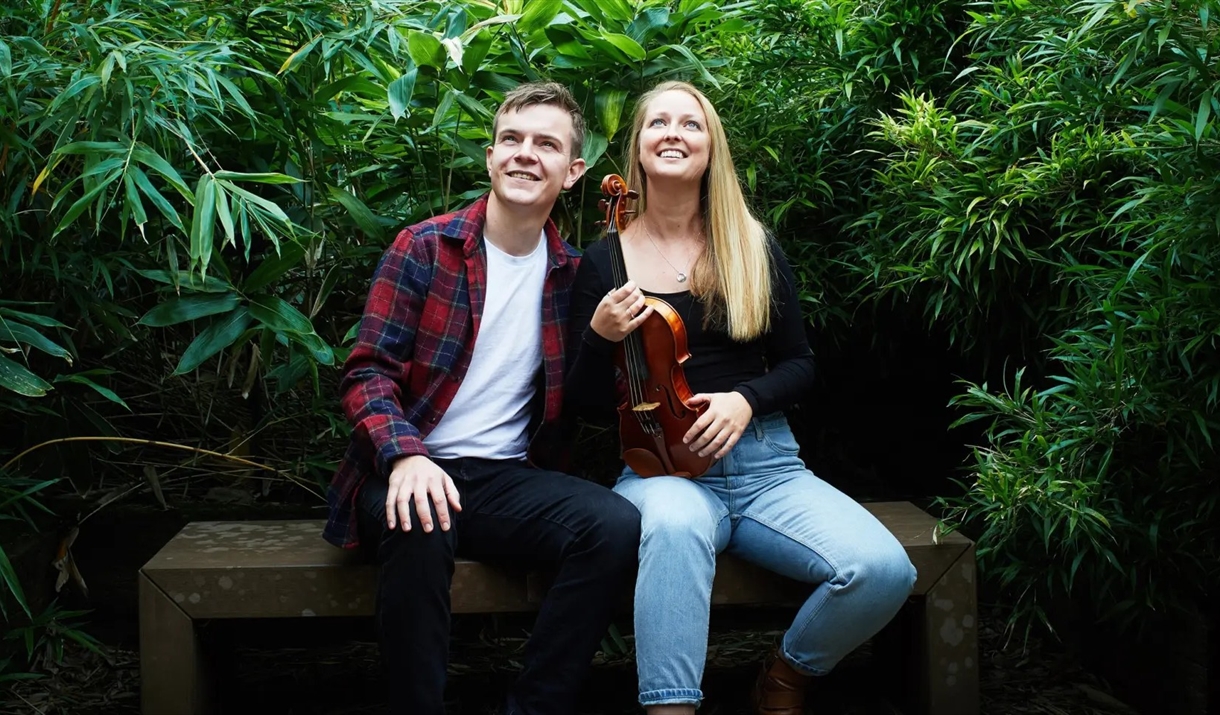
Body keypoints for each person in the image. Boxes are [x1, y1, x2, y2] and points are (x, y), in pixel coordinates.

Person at [565, 80, 917, 715]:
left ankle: (785, 674)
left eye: (690, 124)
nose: (673, 133)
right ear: (638, 149)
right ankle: (671, 709)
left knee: (884, 570)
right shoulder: (603, 260)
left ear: (710, 148)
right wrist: (596, 339)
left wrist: (746, 401)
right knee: (673, 525)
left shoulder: (750, 246)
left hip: (765, 467)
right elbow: (586, 403)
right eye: (658, 124)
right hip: (660, 468)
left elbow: (801, 364)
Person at [325, 81, 642, 715]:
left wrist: (603, 341)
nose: (526, 154)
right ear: (491, 156)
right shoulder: (425, 246)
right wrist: (406, 456)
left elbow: (588, 395)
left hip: (503, 480)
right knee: (420, 514)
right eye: (512, 140)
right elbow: (366, 374)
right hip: (407, 468)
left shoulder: (575, 274)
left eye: (546, 144)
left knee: (614, 524)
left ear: (573, 171)